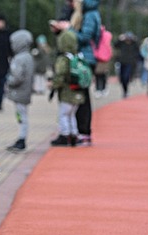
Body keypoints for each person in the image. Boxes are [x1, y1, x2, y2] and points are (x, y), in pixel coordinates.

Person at [52, 0, 101, 147]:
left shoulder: (91, 14)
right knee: (75, 97)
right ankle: (72, 132)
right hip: (77, 57)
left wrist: (68, 29)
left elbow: (85, 37)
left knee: (82, 98)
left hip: (84, 59)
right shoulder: (77, 12)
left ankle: (83, 132)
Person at [50, 30, 85, 147]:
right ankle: (74, 133)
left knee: (63, 114)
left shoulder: (64, 58)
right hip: (78, 91)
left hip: (67, 91)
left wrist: (54, 85)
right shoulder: (78, 56)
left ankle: (65, 135)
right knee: (72, 114)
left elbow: (60, 74)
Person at [5, 30, 34, 152]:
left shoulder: (18, 59)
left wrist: (8, 81)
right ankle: (21, 138)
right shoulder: (29, 57)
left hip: (18, 92)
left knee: (21, 117)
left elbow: (17, 77)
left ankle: (22, 139)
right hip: (26, 91)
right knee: (22, 116)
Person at [114, 32, 141, 98]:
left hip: (130, 62)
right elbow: (115, 45)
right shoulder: (122, 43)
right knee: (122, 78)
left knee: (126, 76)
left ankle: (126, 90)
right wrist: (120, 39)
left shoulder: (134, 44)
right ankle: (124, 90)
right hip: (122, 62)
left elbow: (138, 51)